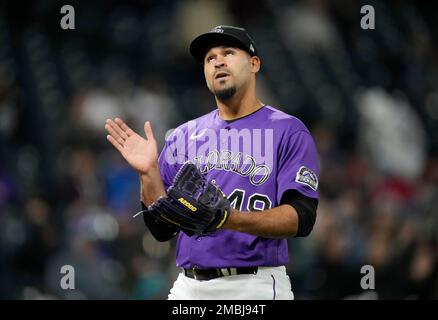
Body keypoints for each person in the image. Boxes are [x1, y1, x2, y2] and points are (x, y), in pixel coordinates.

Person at [105, 25, 319, 300]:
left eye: (228, 52)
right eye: (209, 58)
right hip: (188, 286)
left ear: (254, 64)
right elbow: (161, 228)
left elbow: (302, 217)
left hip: (254, 285)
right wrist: (148, 174)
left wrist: (230, 219)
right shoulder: (182, 136)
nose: (217, 61)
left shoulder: (288, 130)